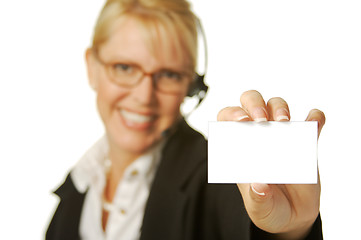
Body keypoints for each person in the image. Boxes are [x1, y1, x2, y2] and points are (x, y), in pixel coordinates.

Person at [46, 0, 326, 239]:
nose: (145, 96)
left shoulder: (222, 176)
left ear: (191, 86)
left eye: (169, 75)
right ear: (92, 67)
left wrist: (293, 231)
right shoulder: (76, 187)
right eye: (124, 67)